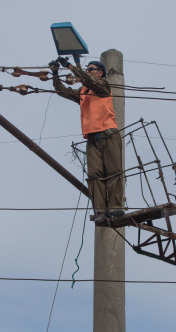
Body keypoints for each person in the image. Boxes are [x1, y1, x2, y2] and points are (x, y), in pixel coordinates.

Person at [49, 57, 124, 225]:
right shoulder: (84, 91)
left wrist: (69, 66)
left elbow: (89, 81)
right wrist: (54, 73)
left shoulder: (103, 86)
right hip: (92, 138)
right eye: (87, 69)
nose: (88, 71)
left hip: (108, 134)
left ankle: (115, 207)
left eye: (91, 69)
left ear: (100, 72)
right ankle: (100, 210)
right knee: (95, 176)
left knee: (113, 172)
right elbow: (62, 91)